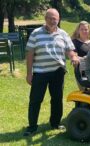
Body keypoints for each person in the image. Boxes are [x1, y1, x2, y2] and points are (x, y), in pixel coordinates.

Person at [24, 8, 79, 136]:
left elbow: (70, 49)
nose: (53, 20)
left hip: (57, 72)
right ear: (45, 19)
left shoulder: (63, 34)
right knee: (35, 99)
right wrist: (29, 73)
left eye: (55, 18)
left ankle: (55, 123)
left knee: (56, 99)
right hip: (40, 72)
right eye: (50, 18)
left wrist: (74, 57)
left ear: (58, 19)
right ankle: (32, 127)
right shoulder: (36, 33)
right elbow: (30, 53)